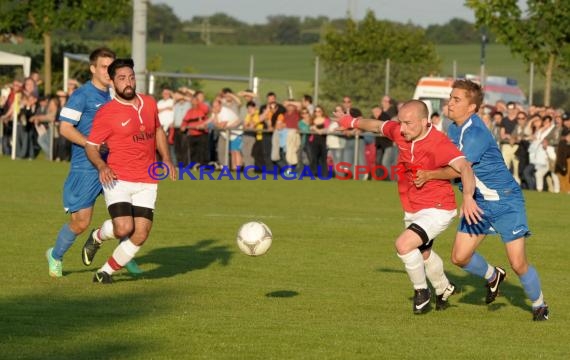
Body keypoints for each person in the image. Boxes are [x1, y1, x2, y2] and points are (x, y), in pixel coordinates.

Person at [417, 79, 549, 321]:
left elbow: (459, 170)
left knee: (518, 263)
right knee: (459, 257)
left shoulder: (476, 133)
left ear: (471, 108)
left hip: (505, 202)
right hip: (478, 202)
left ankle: (540, 305)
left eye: (457, 99)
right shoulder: (454, 127)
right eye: (451, 97)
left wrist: (429, 175)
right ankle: (492, 276)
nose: (450, 102)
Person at [338, 100, 481, 314]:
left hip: (438, 207)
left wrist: (468, 197)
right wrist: (351, 121)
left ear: (424, 122)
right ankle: (444, 287)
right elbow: (377, 126)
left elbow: (465, 167)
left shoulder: (439, 143)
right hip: (412, 205)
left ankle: (422, 293)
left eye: (408, 123)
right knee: (423, 254)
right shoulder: (401, 132)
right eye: (400, 123)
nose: (402, 129)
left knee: (404, 245)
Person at [45, 48, 135, 278]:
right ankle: (55, 255)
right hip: (86, 168)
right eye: (104, 67)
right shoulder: (82, 96)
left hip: (114, 166)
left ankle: (122, 257)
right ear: (92, 68)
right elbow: (64, 128)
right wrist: (91, 144)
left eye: (111, 66)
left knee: (126, 216)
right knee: (80, 222)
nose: (108, 71)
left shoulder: (116, 94)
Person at [85, 58, 176, 283]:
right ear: (113, 82)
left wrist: (166, 158)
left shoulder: (149, 103)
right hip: (118, 178)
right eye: (122, 78)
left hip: (147, 179)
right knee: (124, 227)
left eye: (131, 77)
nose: (128, 83)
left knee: (141, 233)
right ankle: (97, 235)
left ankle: (105, 272)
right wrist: (102, 165)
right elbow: (91, 146)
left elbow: (157, 131)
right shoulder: (107, 112)